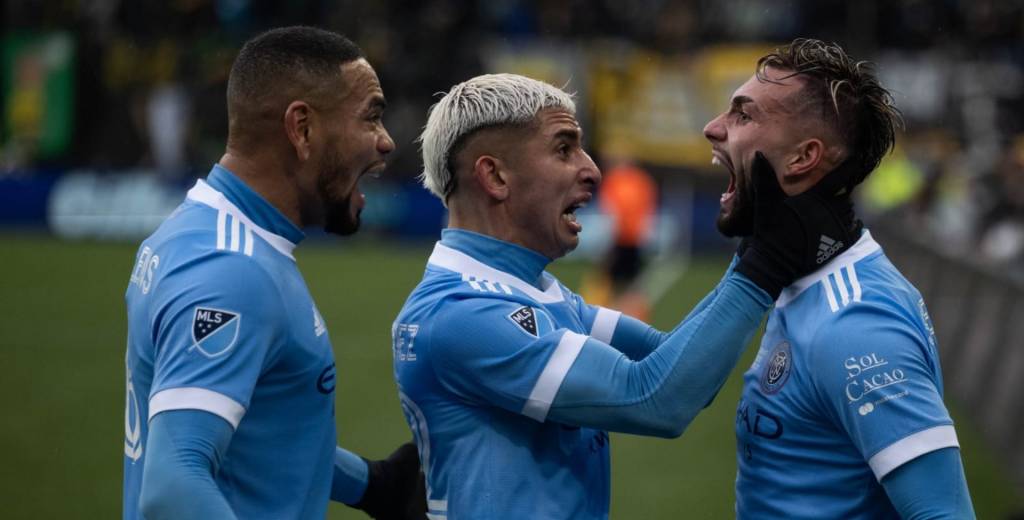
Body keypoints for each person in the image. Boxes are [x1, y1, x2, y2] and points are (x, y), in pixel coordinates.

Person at [392, 73, 858, 519]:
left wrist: (753, 238)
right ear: (495, 177)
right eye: (563, 148)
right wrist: (766, 262)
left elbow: (678, 363)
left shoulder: (536, 291)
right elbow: (656, 399)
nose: (592, 169)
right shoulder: (462, 314)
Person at [122, 26, 424, 519]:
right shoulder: (231, 271)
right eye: (371, 117)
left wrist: (371, 485)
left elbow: (258, 437)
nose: (386, 141)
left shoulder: (200, 232)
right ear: (302, 129)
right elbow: (172, 487)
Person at [702, 38, 975, 519]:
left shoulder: (856, 322)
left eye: (743, 115)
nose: (713, 129)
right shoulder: (802, 278)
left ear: (803, 157)